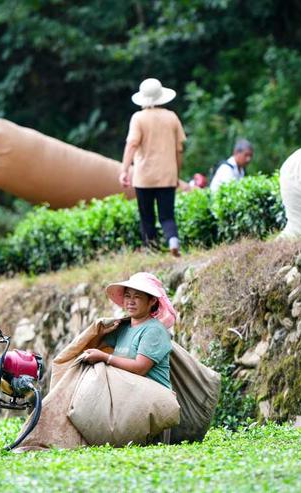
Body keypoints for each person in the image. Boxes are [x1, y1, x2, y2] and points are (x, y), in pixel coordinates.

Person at [120, 78, 187, 257]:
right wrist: (177, 173)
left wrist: (124, 170)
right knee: (167, 215)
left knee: (147, 216)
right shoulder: (171, 117)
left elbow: (132, 144)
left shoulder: (138, 118)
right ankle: (173, 240)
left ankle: (152, 250)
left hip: (144, 176)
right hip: (167, 175)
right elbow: (179, 149)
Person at [82, 272, 174, 389]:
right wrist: (101, 333)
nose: (130, 301)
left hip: (151, 399)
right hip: (127, 396)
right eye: (127, 296)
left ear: (152, 301)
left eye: (137, 297)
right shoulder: (122, 328)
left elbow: (140, 368)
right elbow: (90, 349)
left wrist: (106, 358)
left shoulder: (154, 330)